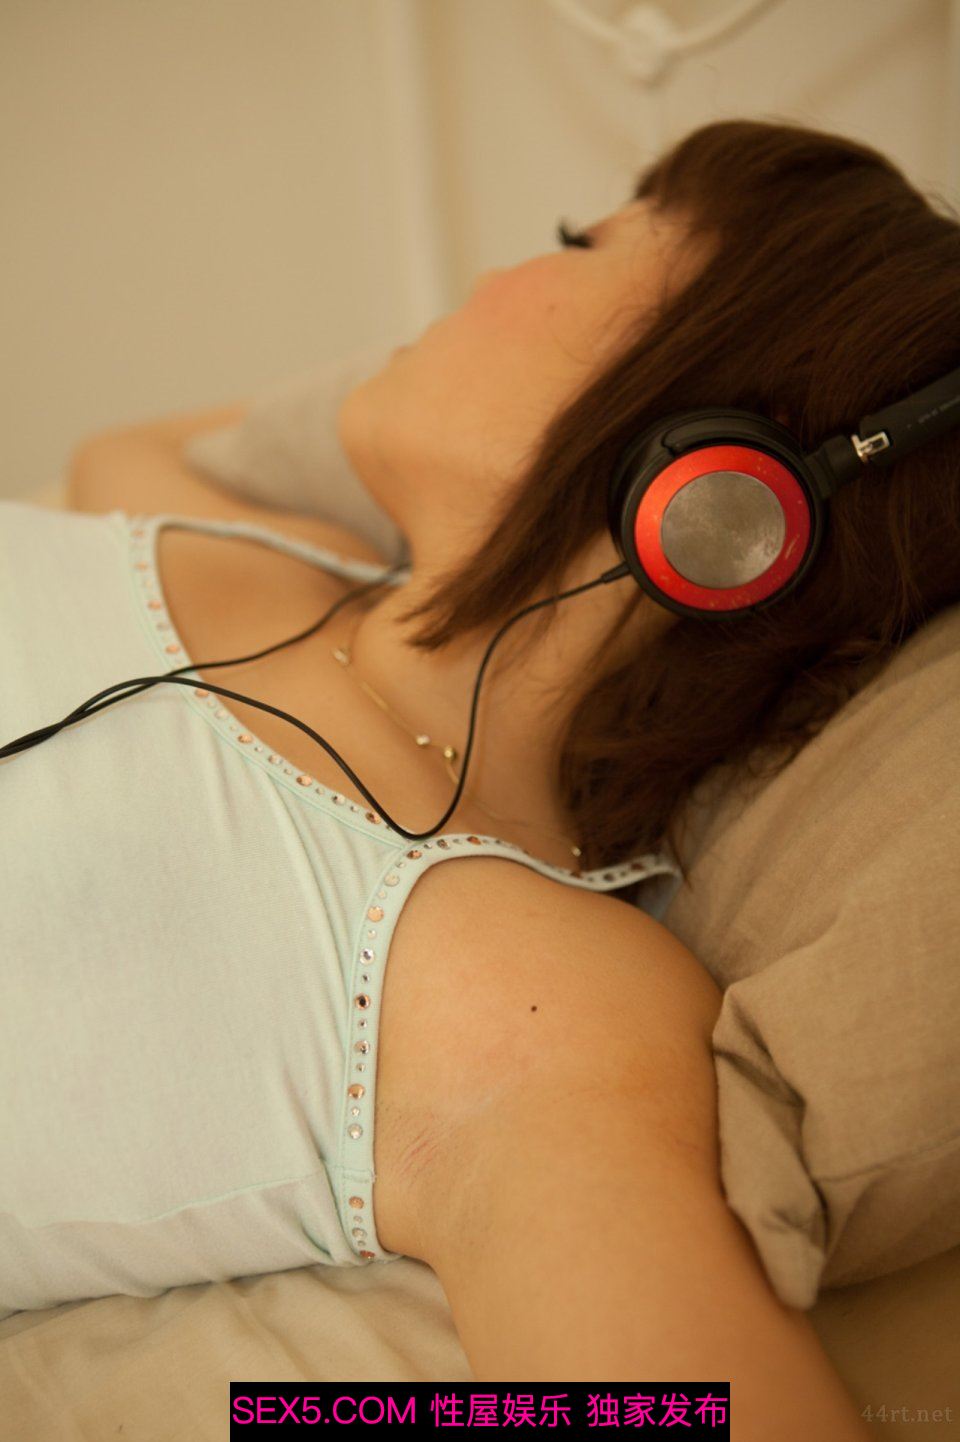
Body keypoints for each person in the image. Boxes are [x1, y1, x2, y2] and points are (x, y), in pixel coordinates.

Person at [4, 117, 958, 1436]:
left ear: (712, 493)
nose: (496, 276)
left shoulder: (526, 997)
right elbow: (120, 449)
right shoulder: (270, 551)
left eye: (580, 244)